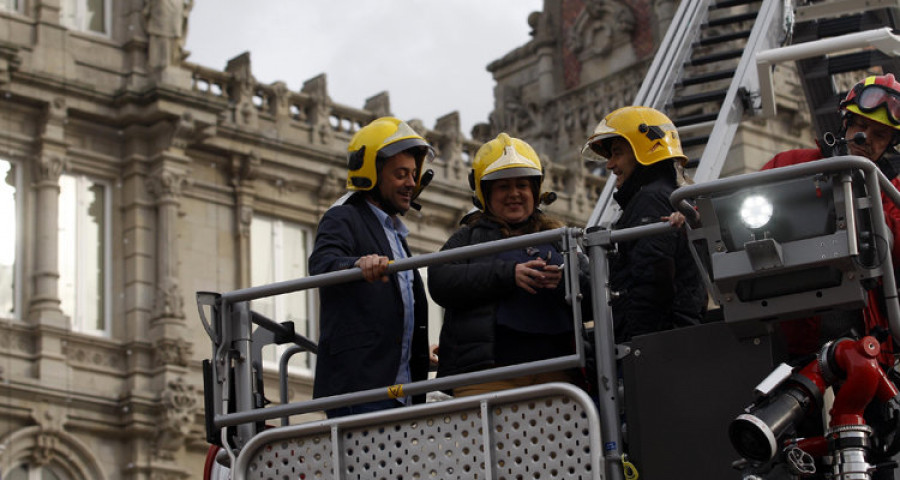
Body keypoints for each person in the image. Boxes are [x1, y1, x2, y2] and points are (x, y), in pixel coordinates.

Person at [428, 133, 588, 397]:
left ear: (535, 191)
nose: (514, 194)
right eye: (503, 187)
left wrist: (565, 281)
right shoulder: (468, 237)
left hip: (558, 373)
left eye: (522, 185)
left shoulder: (562, 240)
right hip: (487, 377)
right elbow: (441, 280)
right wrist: (508, 274)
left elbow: (596, 293)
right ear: (486, 193)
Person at [761, 73, 900, 366]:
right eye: (861, 126)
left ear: (890, 144)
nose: (866, 139)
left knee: (872, 410)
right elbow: (736, 209)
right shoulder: (789, 164)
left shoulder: (892, 190)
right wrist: (693, 217)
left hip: (866, 334)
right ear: (845, 122)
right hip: (796, 323)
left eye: (879, 135)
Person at [308, 117, 434, 418]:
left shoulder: (396, 233)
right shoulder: (344, 216)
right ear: (372, 174)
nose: (411, 184)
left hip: (399, 391)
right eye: (401, 174)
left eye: (414, 174)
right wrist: (356, 264)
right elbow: (322, 264)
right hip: (359, 388)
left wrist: (413, 350)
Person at [581, 106, 707, 343]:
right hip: (676, 334)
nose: (609, 165)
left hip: (657, 342)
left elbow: (651, 281)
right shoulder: (667, 196)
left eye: (617, 153)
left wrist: (636, 343)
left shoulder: (650, 199)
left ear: (643, 152)